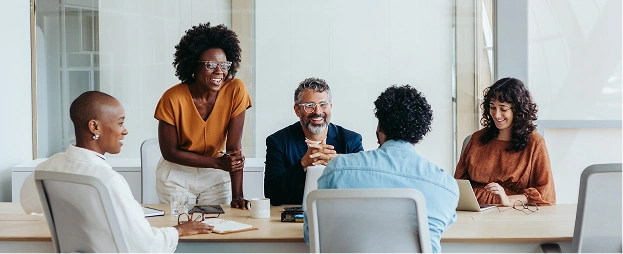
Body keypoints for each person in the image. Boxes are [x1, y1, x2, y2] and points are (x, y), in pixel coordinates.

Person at [20, 91, 213, 253]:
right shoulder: (107, 180)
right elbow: (145, 246)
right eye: (120, 123)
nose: (125, 131)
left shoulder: (50, 166)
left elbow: (27, 202)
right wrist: (178, 230)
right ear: (94, 126)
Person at [303, 85, 459, 253]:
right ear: (420, 132)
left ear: (379, 127)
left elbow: (312, 235)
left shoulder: (337, 170)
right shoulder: (446, 187)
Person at [154, 22, 252, 209]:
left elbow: (233, 149)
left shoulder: (235, 89)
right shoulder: (172, 98)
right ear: (193, 66)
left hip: (214, 175)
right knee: (183, 227)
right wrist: (217, 162)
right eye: (210, 65)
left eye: (224, 64)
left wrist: (238, 195)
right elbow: (169, 152)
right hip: (177, 174)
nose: (219, 71)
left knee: (216, 228)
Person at [454, 77, 556, 207]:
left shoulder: (535, 143)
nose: (496, 115)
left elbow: (546, 194)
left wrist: (508, 200)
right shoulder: (477, 138)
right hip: (474, 210)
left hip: (512, 212)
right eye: (492, 107)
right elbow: (458, 184)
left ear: (517, 110)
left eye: (503, 109)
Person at [264, 77, 363, 206]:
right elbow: (273, 194)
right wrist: (303, 164)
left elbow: (362, 187)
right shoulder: (278, 141)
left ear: (330, 107)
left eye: (323, 104)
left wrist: (339, 164)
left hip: (340, 211)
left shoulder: (351, 140)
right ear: (297, 110)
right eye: (309, 106)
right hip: (294, 213)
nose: (318, 112)